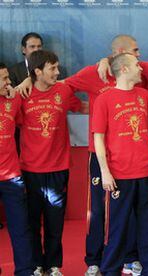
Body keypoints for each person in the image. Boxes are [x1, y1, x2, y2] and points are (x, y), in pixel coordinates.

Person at [64, 35, 143, 276]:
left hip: (128, 153)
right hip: (99, 154)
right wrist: (81, 107)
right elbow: (64, 86)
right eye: (134, 50)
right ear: (120, 51)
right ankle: (94, 260)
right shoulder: (93, 73)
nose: (139, 55)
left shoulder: (135, 73)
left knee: (128, 208)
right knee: (98, 209)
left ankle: (130, 258)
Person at [92, 53, 148, 276]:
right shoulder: (105, 99)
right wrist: (105, 171)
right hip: (120, 174)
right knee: (118, 227)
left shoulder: (145, 95)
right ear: (123, 69)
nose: (140, 68)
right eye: (136, 65)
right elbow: (98, 138)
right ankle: (110, 269)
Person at [21, 50, 82, 276]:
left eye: (58, 67)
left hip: (58, 168)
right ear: (38, 72)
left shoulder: (64, 91)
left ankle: (54, 265)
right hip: (31, 169)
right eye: (52, 68)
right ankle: (37, 264)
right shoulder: (23, 94)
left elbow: (83, 107)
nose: (58, 72)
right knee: (33, 222)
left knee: (55, 221)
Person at [0, 62, 34, 276]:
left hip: (12, 177)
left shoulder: (13, 99)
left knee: (21, 228)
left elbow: (30, 82)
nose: (8, 82)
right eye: (3, 79)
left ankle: (25, 271)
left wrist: (28, 79)